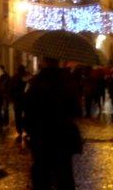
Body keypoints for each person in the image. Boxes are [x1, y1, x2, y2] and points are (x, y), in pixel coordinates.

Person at [24, 57, 81, 190]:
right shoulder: (66, 81)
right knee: (64, 175)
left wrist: (29, 130)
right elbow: (76, 110)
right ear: (58, 62)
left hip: (41, 136)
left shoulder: (35, 83)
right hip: (62, 136)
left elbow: (28, 110)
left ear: (43, 62)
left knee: (42, 175)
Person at [10, 64, 30, 142]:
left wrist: (12, 98)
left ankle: (20, 133)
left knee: (18, 117)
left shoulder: (14, 78)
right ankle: (27, 131)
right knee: (26, 115)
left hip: (17, 101)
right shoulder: (27, 77)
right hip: (26, 100)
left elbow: (11, 89)